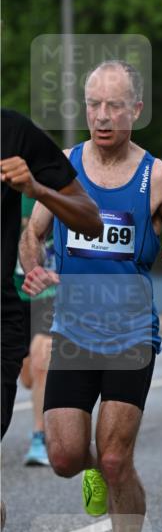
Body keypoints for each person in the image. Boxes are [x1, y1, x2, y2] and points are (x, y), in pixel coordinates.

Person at [20, 61, 162, 532]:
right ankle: (90, 472)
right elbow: (32, 233)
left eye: (115, 106)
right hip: (73, 332)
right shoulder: (62, 168)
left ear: (135, 109)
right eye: (94, 105)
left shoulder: (157, 177)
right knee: (64, 457)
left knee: (115, 459)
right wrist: (34, 269)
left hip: (132, 335)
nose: (103, 116)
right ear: (85, 109)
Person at [1, 109, 101, 443]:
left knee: (41, 360)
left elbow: (90, 219)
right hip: (21, 293)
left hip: (23, 302)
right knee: (32, 372)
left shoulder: (14, 135)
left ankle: (41, 436)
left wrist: (36, 188)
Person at [14, 194, 58, 465]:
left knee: (41, 361)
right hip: (14, 294)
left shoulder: (52, 189)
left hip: (48, 291)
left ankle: (39, 436)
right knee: (27, 377)